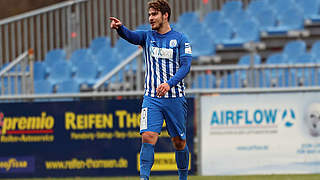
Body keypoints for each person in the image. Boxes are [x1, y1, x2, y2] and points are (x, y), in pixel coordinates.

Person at [110, 0, 192, 179]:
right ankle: (144, 178)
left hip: (175, 98)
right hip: (152, 98)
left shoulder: (180, 39)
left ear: (165, 15)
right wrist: (120, 28)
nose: (150, 18)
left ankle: (183, 177)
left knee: (179, 142)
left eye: (154, 14)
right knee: (147, 137)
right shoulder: (147, 37)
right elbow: (132, 36)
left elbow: (186, 67)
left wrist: (169, 84)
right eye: (149, 15)